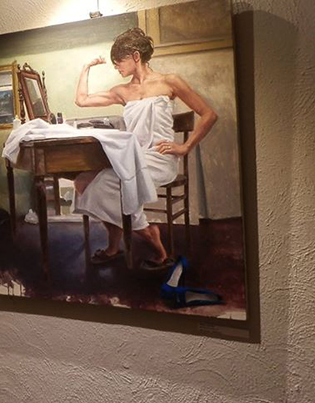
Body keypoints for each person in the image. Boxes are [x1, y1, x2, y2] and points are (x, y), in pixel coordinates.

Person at [73, 27, 218, 269]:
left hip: (160, 159)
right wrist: (86, 67)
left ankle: (154, 243)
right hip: (133, 158)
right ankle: (121, 241)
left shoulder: (169, 82)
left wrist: (185, 147)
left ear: (135, 56)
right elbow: (82, 100)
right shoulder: (122, 91)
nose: (116, 66)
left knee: (113, 185)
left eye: (119, 60)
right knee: (82, 182)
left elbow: (209, 114)